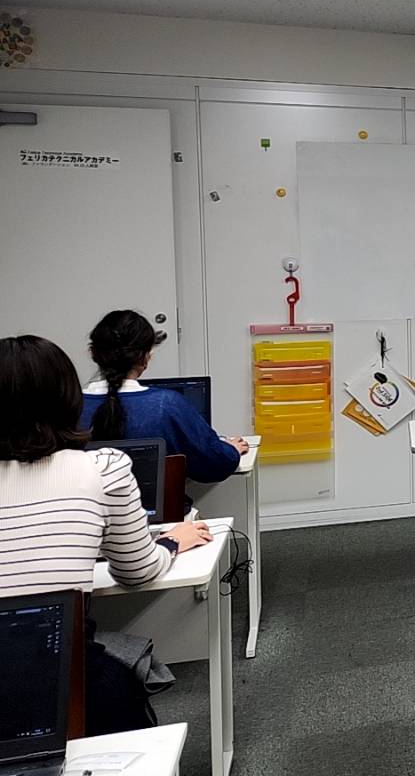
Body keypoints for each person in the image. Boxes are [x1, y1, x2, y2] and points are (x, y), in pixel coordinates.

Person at [1, 334, 212, 734]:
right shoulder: (103, 468)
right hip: (61, 680)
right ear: (67, 398)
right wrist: (171, 541)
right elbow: (137, 571)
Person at [82, 309, 244, 483]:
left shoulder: (69, 408)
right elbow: (214, 464)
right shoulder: (166, 405)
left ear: (93, 353)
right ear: (145, 358)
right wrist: (231, 450)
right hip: (159, 502)